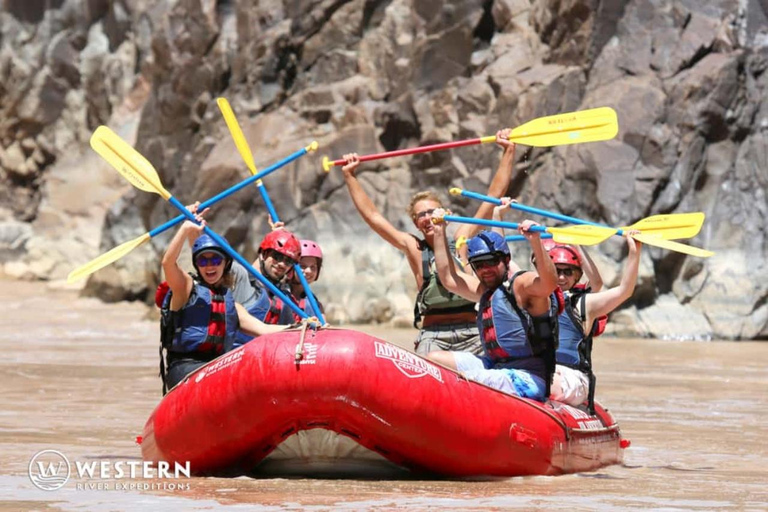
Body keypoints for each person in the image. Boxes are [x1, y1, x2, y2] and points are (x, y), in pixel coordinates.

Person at [340, 130, 516, 356]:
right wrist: (350, 176)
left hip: (473, 331)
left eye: (432, 211)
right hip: (433, 335)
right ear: (415, 224)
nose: (427, 217)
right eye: (421, 215)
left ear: (447, 213)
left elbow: (493, 197)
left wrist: (508, 150)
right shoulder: (413, 247)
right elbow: (374, 217)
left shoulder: (462, 238)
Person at [426, 216, 560, 402]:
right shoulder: (485, 292)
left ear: (506, 260)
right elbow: (449, 279)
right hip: (495, 367)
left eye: (492, 262)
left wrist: (535, 241)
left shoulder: (520, 285)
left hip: (530, 375)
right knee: (433, 358)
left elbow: (549, 284)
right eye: (479, 265)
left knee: (472, 380)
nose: (486, 269)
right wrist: (440, 232)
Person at [160, 212, 286, 391]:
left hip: (217, 367)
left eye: (216, 260)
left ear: (225, 264)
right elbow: (167, 263)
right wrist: (186, 228)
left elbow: (263, 330)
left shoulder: (232, 306)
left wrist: (302, 326)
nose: (209, 265)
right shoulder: (186, 289)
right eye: (203, 260)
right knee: (223, 373)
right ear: (197, 265)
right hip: (184, 368)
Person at [547, 236, 642, 409]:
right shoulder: (535, 298)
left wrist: (634, 253)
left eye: (567, 272)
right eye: (556, 271)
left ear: (576, 276)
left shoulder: (584, 303)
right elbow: (505, 273)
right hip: (545, 370)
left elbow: (624, 290)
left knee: (538, 380)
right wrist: (497, 216)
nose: (561, 277)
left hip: (571, 376)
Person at [290, 239, 325, 316]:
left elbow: (324, 327)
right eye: (302, 266)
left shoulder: (316, 305)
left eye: (313, 267)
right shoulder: (275, 295)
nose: (309, 271)